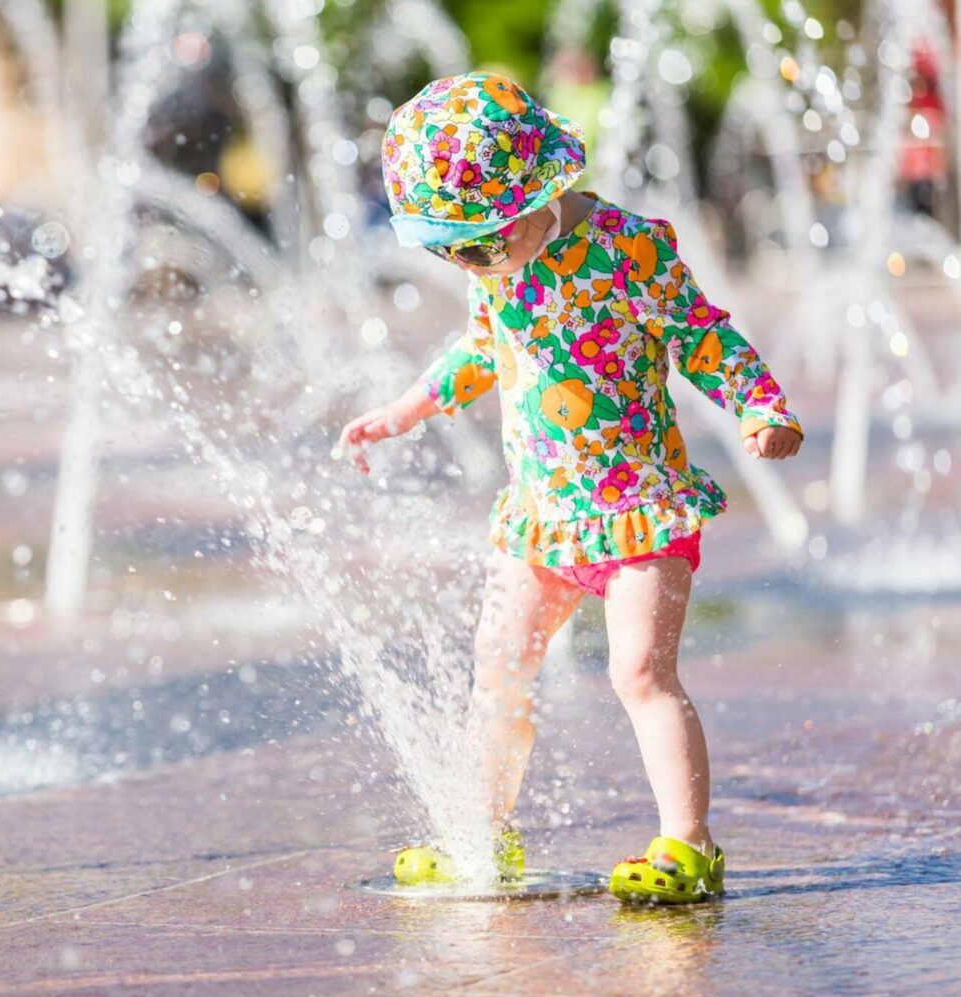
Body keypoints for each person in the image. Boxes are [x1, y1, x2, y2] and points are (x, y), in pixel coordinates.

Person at [339, 73, 804, 904]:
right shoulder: (495, 260)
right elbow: (485, 347)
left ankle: (687, 847)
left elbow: (702, 336)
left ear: (535, 197)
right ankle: (485, 834)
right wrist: (407, 407)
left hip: (637, 510)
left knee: (639, 674)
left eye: (477, 243)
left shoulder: (629, 249)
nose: (466, 261)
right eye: (447, 247)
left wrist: (760, 406)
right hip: (544, 515)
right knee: (500, 668)